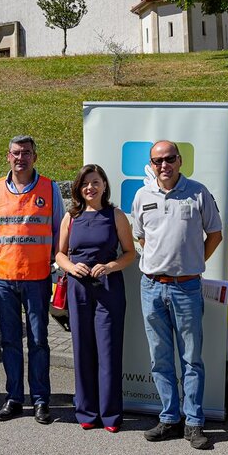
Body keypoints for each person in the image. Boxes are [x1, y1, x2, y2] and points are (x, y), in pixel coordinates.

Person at [131, 140, 223, 450]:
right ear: (151, 165)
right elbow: (141, 236)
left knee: (191, 359)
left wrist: (192, 262)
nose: (164, 165)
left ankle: (193, 421)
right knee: (160, 357)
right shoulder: (142, 195)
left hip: (187, 287)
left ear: (180, 160)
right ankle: (169, 418)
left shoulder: (198, 192)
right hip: (152, 287)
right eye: (157, 161)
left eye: (169, 159)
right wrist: (161, 262)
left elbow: (215, 234)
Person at [0, 135, 64, 424]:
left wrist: (56, 266)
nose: (21, 158)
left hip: (38, 277)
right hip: (4, 278)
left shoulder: (50, 188)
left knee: (38, 341)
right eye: (16, 153)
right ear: (8, 156)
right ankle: (14, 398)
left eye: (27, 153)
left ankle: (41, 400)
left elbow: (58, 231)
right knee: (10, 342)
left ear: (35, 156)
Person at [54, 164, 137, 432]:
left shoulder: (115, 215)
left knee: (108, 351)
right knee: (83, 349)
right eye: (85, 183)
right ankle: (87, 411)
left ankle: (110, 415)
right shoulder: (71, 217)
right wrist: (71, 267)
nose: (90, 187)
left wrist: (110, 266)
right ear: (79, 188)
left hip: (108, 288)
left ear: (104, 185)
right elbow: (60, 254)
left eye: (95, 182)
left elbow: (130, 253)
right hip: (79, 288)